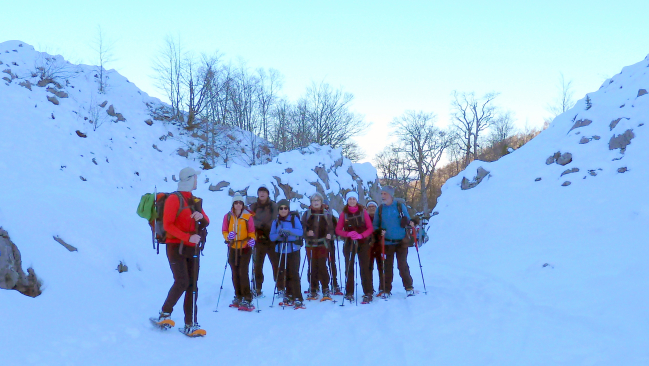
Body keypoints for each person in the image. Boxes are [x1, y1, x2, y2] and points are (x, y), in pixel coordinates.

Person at [152, 167, 210, 337]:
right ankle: (165, 313)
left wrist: (201, 217)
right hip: (175, 246)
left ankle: (191, 323)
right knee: (182, 281)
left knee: (192, 284)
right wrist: (187, 237)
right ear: (189, 179)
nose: (197, 182)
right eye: (196, 179)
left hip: (192, 247)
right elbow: (168, 224)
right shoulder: (173, 199)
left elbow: (207, 220)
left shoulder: (194, 200)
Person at [373, 186, 415, 297]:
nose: (382, 196)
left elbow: (408, 220)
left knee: (402, 265)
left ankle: (409, 287)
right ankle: (386, 289)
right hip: (387, 243)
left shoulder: (400, 206)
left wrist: (408, 222)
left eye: (385, 194)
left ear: (391, 195)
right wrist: (379, 230)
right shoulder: (380, 209)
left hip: (401, 242)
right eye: (382, 193)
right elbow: (375, 225)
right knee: (387, 267)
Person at [335, 192, 374, 303]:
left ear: (356, 200)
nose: (352, 201)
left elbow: (370, 228)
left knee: (365, 267)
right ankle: (349, 292)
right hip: (349, 242)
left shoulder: (363, 212)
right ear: (347, 200)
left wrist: (361, 235)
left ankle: (368, 292)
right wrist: (347, 234)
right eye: (350, 199)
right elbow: (338, 230)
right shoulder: (344, 214)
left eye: (354, 199)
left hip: (363, 242)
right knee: (349, 267)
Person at [222, 194, 257, 311]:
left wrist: (252, 240)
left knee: (243, 272)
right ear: (233, 204)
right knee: (234, 272)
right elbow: (224, 230)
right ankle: (238, 295)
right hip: (232, 247)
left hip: (245, 247)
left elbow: (252, 232)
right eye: (236, 203)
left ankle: (247, 298)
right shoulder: (228, 216)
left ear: (243, 205)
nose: (238, 205)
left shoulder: (248, 217)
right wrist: (228, 237)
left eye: (240, 203)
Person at [269, 199, 305, 309]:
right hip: (281, 250)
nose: (283, 210)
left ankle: (298, 297)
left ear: (288, 209)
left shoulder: (294, 219)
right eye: (281, 208)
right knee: (284, 273)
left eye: (285, 208)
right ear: (278, 210)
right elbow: (271, 236)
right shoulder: (276, 222)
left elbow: (300, 232)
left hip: (293, 249)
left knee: (294, 273)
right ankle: (289, 295)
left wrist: (289, 232)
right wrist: (280, 234)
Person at [301, 193, 335, 301]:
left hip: (322, 243)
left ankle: (325, 287)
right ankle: (313, 287)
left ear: (321, 202)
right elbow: (302, 227)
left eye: (318, 200)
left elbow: (331, 227)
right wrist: (307, 232)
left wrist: (330, 235)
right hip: (310, 244)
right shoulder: (306, 214)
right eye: (313, 200)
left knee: (322, 265)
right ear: (311, 202)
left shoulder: (326, 214)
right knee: (312, 266)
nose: (316, 202)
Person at [249, 185, 280, 298]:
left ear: (268, 194)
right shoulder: (253, 206)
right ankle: (257, 288)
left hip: (272, 240)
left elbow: (275, 219)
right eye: (260, 192)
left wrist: (264, 226)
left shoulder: (273, 206)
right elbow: (250, 219)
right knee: (257, 265)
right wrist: (260, 225)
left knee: (276, 265)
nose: (262, 194)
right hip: (258, 240)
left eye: (264, 192)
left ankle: (280, 288)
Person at [323, 199, 342, 295]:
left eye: (325, 205)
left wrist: (334, 235)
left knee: (331, 263)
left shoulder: (331, 217)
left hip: (330, 243)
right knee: (319, 264)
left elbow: (337, 229)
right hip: (319, 243)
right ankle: (321, 284)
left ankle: (334, 283)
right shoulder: (313, 215)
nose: (324, 206)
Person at [366, 200, 385, 295]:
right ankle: (369, 288)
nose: (372, 208)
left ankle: (382, 287)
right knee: (368, 267)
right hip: (368, 246)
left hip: (380, 245)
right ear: (367, 209)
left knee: (381, 266)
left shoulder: (381, 218)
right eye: (370, 206)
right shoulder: (364, 219)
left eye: (374, 206)